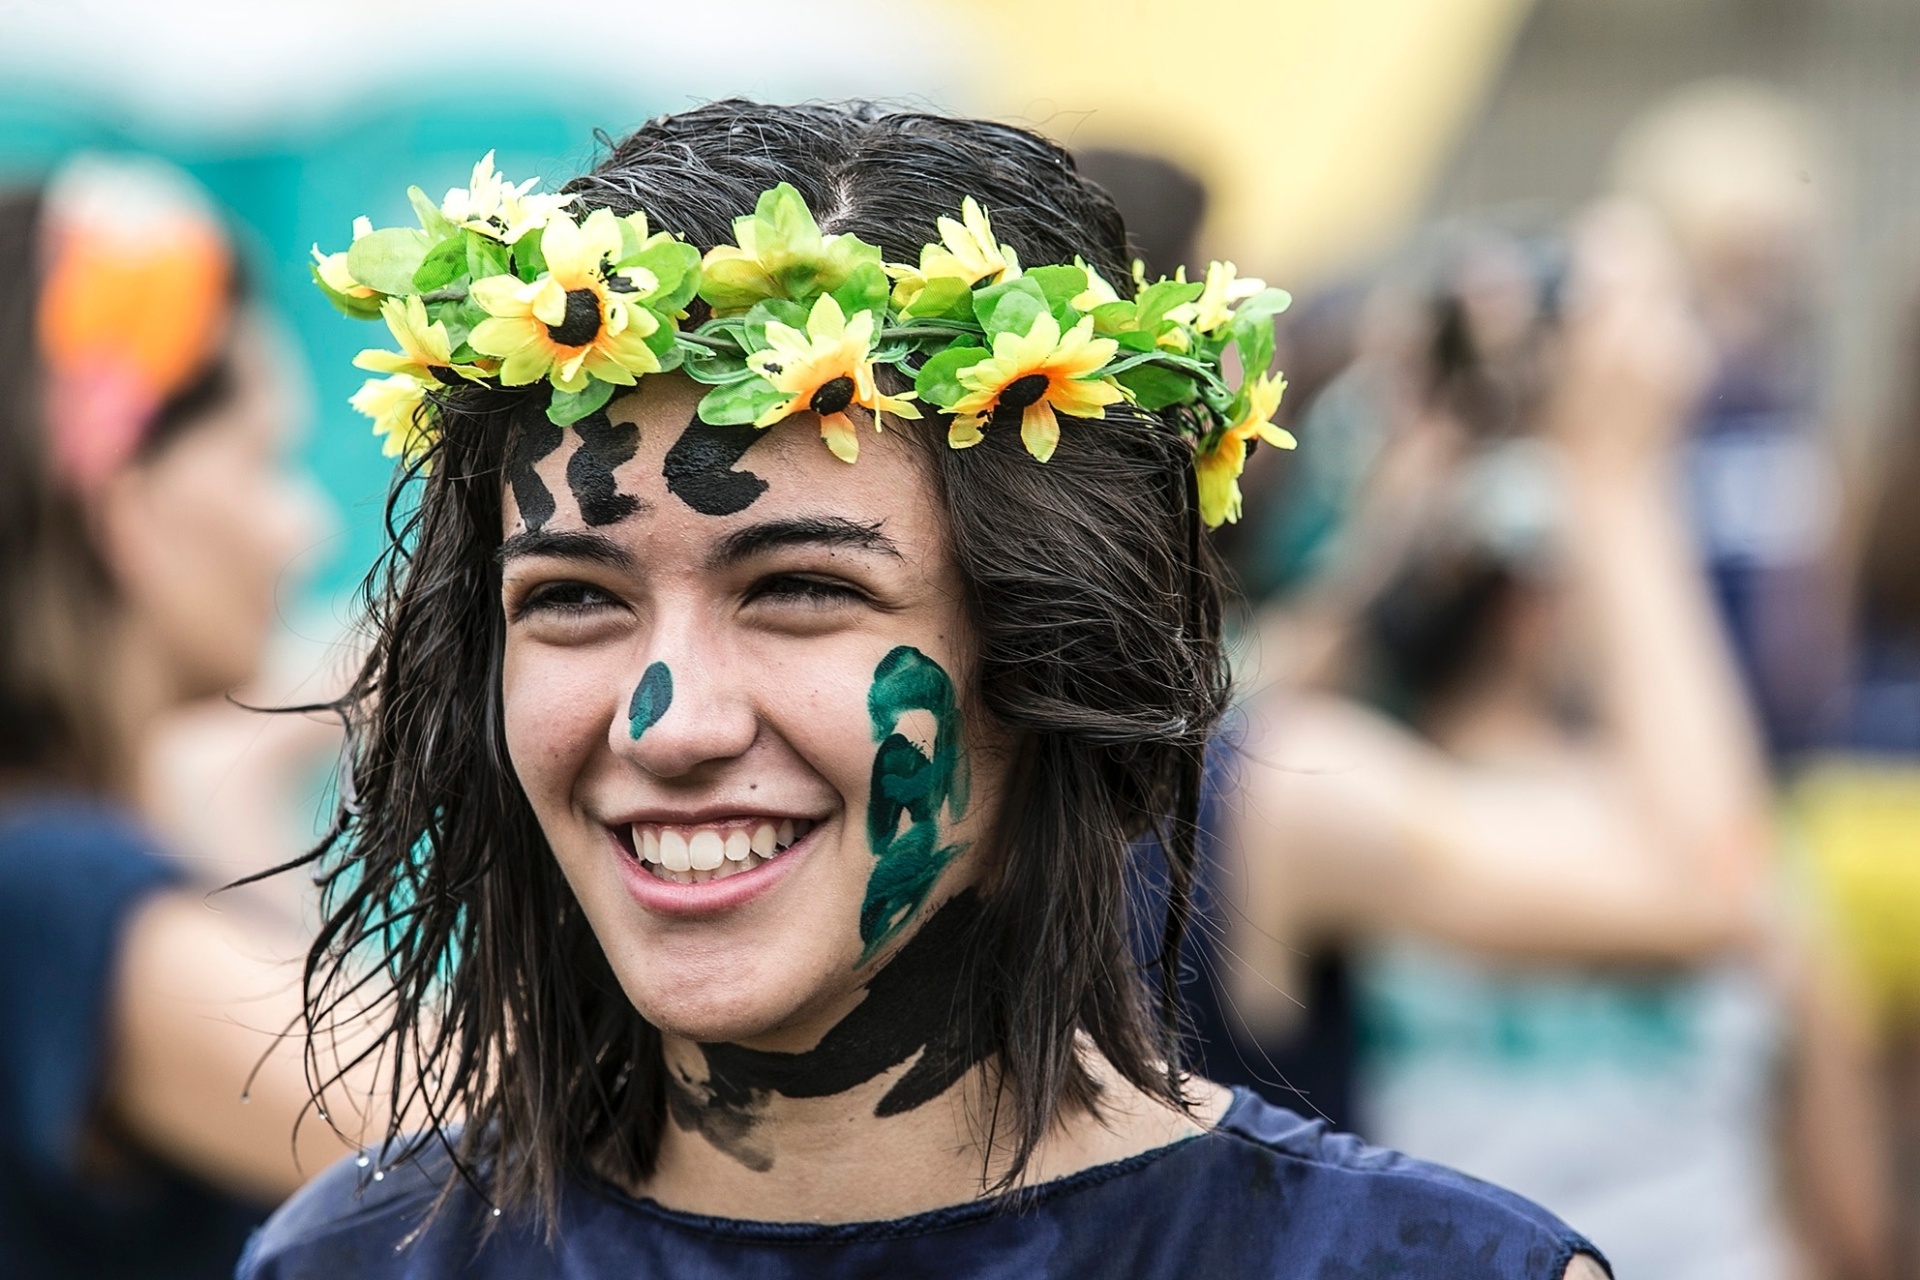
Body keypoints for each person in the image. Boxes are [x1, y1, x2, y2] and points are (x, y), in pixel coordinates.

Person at [240, 101, 1608, 1279]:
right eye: (575, 599)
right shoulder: (357, 1264)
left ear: (1052, 660)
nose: (670, 724)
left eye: (798, 591)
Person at [1216, 206, 1888, 1279]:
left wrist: (1403, 485)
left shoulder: (1290, 782)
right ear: (1544, 597)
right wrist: (1616, 469)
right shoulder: (1724, 829)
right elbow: (1852, 1224)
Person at [0, 154, 363, 1279]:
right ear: (131, 508)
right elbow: (488, 1136)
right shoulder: (56, 880)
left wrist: (245, 770)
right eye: (264, 459)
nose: (300, 530)